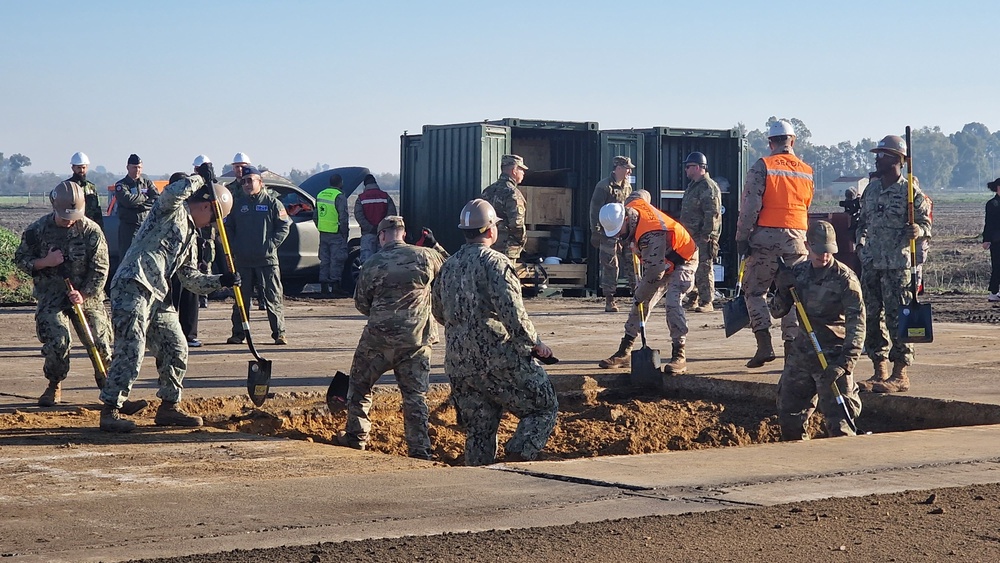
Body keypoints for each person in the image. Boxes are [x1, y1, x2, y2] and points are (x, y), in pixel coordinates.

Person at [99, 166, 240, 432]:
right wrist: (200, 178)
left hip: (158, 295)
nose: (211, 224)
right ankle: (111, 409)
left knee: (176, 345)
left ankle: (169, 406)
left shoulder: (191, 237)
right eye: (214, 217)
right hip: (134, 284)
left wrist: (221, 281)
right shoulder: (169, 212)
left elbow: (190, 278)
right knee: (132, 347)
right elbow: (170, 193)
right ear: (207, 206)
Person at [432, 199, 558, 465]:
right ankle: (519, 452)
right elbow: (513, 314)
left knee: (479, 430)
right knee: (543, 407)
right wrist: (535, 344)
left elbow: (438, 312)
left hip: (459, 364)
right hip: (499, 359)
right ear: (491, 230)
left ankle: (479, 479)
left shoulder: (448, 266)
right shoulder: (496, 263)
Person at [337, 215, 446, 459]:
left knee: (359, 385)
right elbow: (452, 268)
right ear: (404, 234)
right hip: (416, 341)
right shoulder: (426, 256)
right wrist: (435, 245)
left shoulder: (372, 263)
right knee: (415, 396)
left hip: (378, 340)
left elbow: (361, 303)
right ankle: (419, 450)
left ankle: (356, 437)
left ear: (382, 236)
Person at [15, 181, 114, 406]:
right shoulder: (37, 230)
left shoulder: (90, 231)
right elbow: (21, 259)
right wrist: (44, 262)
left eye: (73, 216)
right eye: (64, 217)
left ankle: (109, 388)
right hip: (52, 295)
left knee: (100, 340)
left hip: (85, 296)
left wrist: (85, 295)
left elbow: (101, 268)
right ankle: (54, 384)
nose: (69, 221)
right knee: (58, 341)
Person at [768, 220, 864, 440]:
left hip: (832, 355)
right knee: (789, 412)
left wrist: (845, 363)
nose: (825, 257)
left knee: (840, 420)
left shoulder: (845, 280)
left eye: (829, 252)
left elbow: (857, 324)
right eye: (819, 252)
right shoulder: (798, 273)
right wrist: (782, 289)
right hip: (803, 352)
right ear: (807, 246)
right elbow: (777, 312)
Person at [854, 134, 932, 394]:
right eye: (878, 155)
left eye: (883, 155)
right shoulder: (872, 189)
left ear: (898, 160)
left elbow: (925, 224)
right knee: (871, 317)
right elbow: (862, 222)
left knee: (898, 317)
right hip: (872, 264)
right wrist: (861, 245)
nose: (878, 159)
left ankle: (900, 373)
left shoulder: (910, 191)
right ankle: (879, 370)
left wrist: (917, 232)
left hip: (897, 266)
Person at [735, 120, 813, 368]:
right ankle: (791, 349)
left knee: (754, 290)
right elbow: (807, 204)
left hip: (766, 239)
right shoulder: (806, 170)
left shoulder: (763, 166)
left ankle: (764, 345)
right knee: (791, 292)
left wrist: (741, 238)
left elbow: (749, 207)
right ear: (793, 140)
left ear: (771, 142)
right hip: (797, 239)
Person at [597, 191, 698, 375]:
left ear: (626, 220)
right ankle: (625, 350)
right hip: (661, 262)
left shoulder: (651, 235)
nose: (619, 236)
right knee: (640, 303)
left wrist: (639, 294)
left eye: (619, 232)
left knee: (672, 302)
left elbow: (655, 273)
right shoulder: (632, 203)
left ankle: (679, 354)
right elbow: (642, 193)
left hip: (683, 260)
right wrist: (640, 298)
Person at [225, 165, 291, 345]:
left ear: (260, 183)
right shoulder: (238, 206)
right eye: (244, 181)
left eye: (250, 181)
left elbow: (284, 226)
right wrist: (235, 246)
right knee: (241, 300)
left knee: (273, 297)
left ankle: (279, 333)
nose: (246, 184)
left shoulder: (272, 203)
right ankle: (238, 333)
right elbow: (228, 227)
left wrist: (271, 244)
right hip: (244, 261)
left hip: (267, 261)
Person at [589, 156, 637, 312]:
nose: (629, 171)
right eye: (627, 168)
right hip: (607, 233)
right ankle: (610, 299)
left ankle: (638, 295)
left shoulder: (627, 186)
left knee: (632, 262)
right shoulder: (603, 187)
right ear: (618, 168)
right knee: (610, 265)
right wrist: (596, 232)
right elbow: (595, 211)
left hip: (624, 232)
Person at [679, 151, 722, 313]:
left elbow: (713, 213)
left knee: (704, 268)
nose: (686, 170)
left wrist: (707, 235)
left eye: (688, 167)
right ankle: (694, 298)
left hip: (702, 237)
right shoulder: (693, 186)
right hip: (690, 236)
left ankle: (707, 301)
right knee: (691, 268)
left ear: (697, 167)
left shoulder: (708, 187)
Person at [481, 154, 528, 262]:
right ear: (514, 170)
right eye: (521, 169)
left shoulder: (488, 191)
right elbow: (516, 225)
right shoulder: (513, 193)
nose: (523, 173)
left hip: (488, 246)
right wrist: (522, 241)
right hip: (506, 250)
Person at [113, 153, 159, 262]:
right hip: (129, 227)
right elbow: (128, 201)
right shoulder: (121, 185)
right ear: (128, 167)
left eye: (139, 167)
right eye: (134, 167)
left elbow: (156, 198)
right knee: (127, 258)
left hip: (145, 225)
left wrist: (141, 205)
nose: (137, 170)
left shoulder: (147, 183)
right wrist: (145, 197)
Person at [315, 173, 349, 296]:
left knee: (324, 259)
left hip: (323, 232)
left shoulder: (320, 194)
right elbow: (343, 216)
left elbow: (316, 215)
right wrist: (344, 232)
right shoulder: (339, 196)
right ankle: (335, 286)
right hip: (336, 232)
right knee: (336, 259)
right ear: (340, 183)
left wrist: (320, 226)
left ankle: (324, 286)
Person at [355, 174, 397, 263]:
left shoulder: (361, 198)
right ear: (375, 183)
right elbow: (391, 214)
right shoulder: (385, 196)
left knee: (367, 261)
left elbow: (359, 215)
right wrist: (382, 227)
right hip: (384, 234)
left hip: (368, 234)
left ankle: (368, 277)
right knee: (383, 261)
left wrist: (369, 228)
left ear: (365, 185)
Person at [68, 152, 104, 227]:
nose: (81, 170)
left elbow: (97, 212)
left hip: (89, 228)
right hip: (72, 228)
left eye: (83, 167)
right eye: (78, 168)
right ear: (73, 168)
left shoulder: (92, 188)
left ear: (87, 168)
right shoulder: (66, 187)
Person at [983, 178, 1000, 302]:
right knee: (997, 266)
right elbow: (988, 223)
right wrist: (986, 239)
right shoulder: (992, 204)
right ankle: (994, 292)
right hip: (996, 241)